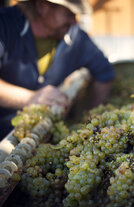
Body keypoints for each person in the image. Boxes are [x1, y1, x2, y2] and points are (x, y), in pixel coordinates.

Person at [0, 0, 115, 139]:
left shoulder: (75, 36)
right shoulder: (4, 25)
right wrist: (30, 98)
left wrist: (93, 121)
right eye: (68, 14)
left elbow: (105, 73)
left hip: (43, 135)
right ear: (43, 6)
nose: (74, 21)